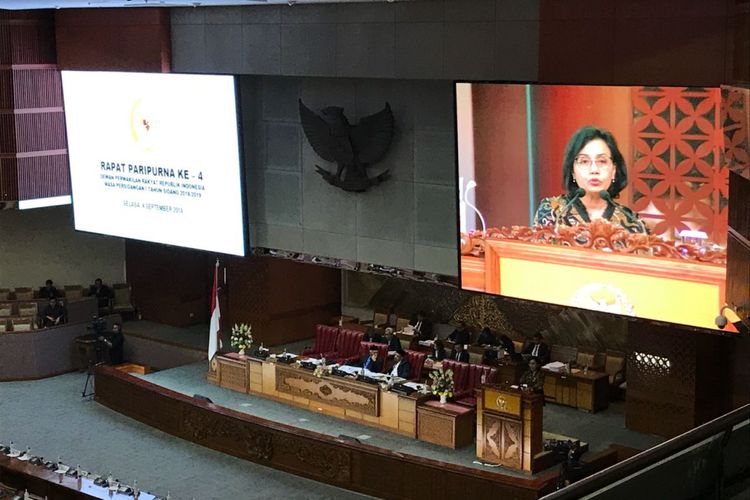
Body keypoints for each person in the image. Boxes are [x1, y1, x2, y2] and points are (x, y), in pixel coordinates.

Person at [534, 126, 648, 234]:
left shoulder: (633, 222)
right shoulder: (553, 211)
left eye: (602, 161)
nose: (594, 170)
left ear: (613, 170)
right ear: (572, 171)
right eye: (584, 161)